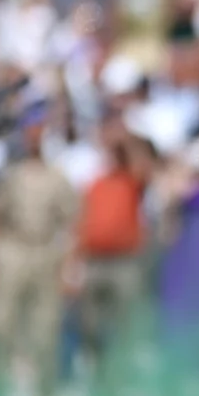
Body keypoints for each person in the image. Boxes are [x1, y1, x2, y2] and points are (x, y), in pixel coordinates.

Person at [0, 111, 80, 396]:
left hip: (45, 251)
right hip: (14, 250)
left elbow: (72, 222)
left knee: (45, 330)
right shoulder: (12, 176)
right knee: (1, 324)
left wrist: (70, 266)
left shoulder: (57, 177)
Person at [74, 122, 152, 372]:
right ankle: (97, 371)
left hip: (123, 262)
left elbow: (143, 167)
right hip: (94, 261)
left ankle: (125, 373)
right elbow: (80, 222)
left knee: (126, 322)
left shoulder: (131, 181)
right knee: (91, 323)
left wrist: (125, 140)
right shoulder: (95, 184)